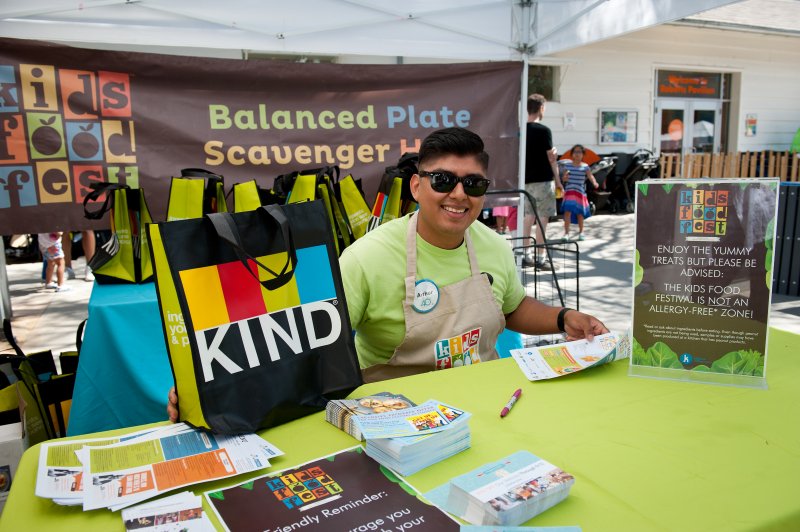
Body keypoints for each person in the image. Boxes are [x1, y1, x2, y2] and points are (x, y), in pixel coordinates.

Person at [166, 127, 607, 419]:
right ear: (416, 186)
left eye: (473, 184)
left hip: (484, 407)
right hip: (393, 414)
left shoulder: (492, 245)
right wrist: (217, 390)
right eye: (443, 181)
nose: (459, 194)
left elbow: (511, 307)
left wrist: (563, 318)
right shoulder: (367, 258)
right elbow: (307, 346)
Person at [523, 94, 563, 269]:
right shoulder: (544, 131)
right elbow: (551, 158)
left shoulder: (520, 131)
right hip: (544, 181)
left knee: (528, 217)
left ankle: (525, 255)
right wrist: (558, 181)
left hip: (525, 182)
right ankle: (541, 257)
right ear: (541, 108)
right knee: (542, 219)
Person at [559, 144, 598, 241]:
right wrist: (565, 178)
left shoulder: (585, 166)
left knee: (580, 213)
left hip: (580, 193)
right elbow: (564, 179)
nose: (577, 154)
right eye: (575, 152)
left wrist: (594, 183)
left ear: (583, 154)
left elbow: (590, 176)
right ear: (572, 154)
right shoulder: (567, 166)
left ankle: (581, 232)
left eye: (579, 152)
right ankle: (566, 234)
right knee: (567, 212)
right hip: (569, 192)